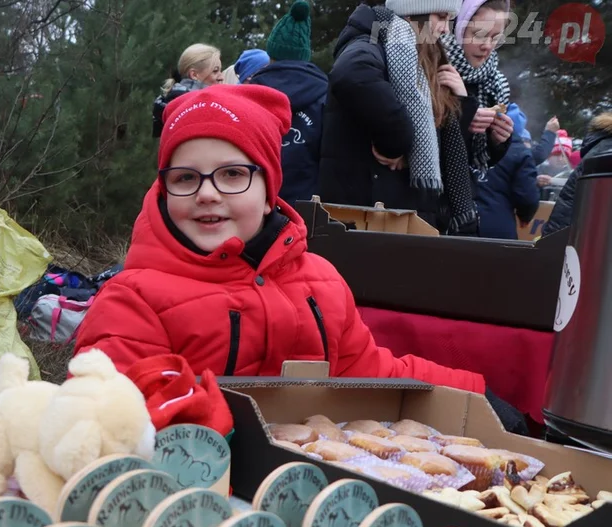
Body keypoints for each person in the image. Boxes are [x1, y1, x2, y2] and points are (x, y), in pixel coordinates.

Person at [73, 83, 485, 394]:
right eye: (185, 178)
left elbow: (373, 372)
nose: (207, 193)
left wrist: (475, 393)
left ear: (269, 192)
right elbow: (118, 412)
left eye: (232, 174)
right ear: (164, 189)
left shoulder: (321, 282)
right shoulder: (133, 301)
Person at [319, 0, 482, 235]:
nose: (446, 29)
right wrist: (397, 142)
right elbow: (351, 74)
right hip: (371, 223)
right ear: (413, 11)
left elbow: (441, 144)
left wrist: (463, 104)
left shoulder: (422, 55)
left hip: (398, 218)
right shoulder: (374, 43)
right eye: (441, 16)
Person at [246, 0, 328, 205]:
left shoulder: (250, 94)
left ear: (271, 54)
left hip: (258, 203)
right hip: (309, 206)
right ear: (304, 53)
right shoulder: (326, 95)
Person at [442, 0, 514, 175]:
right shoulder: (435, 66)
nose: (487, 46)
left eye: (495, 38)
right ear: (459, 29)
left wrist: (498, 140)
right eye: (479, 35)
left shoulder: (496, 84)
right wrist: (465, 110)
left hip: (465, 192)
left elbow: (480, 160)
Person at [473, 102, 540, 238]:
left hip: (461, 223)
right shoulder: (520, 152)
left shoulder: (468, 142)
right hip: (498, 228)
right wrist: (525, 216)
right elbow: (527, 195)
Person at [545, 113, 612, 234]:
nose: (560, 159)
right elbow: (568, 205)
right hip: (590, 240)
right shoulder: (604, 150)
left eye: (562, 155)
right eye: (556, 155)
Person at [152, 44, 224, 137]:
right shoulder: (197, 108)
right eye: (215, 71)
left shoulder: (170, 103)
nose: (221, 77)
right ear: (194, 74)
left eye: (220, 71)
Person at [536, 130, 574, 201]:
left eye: (564, 155)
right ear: (548, 155)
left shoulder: (571, 174)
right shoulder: (538, 170)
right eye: (556, 154)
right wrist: (536, 182)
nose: (560, 159)